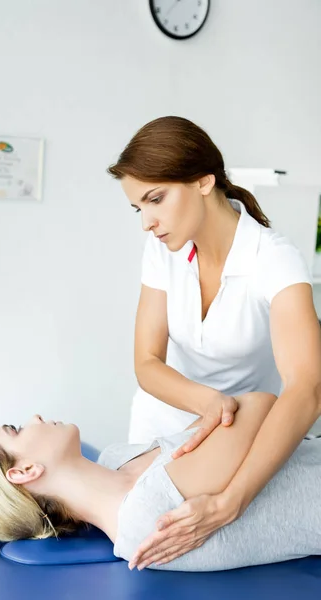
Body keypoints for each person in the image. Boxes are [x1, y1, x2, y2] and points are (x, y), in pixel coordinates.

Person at [106, 116, 321, 568]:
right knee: (143, 559)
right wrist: (208, 401)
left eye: (155, 199)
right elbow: (146, 361)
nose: (147, 222)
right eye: (137, 208)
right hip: (161, 428)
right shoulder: (162, 252)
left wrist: (233, 500)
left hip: (237, 443)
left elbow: (308, 388)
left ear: (205, 182)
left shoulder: (274, 261)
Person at [0, 393, 321, 572]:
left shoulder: (116, 458)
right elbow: (262, 404)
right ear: (24, 471)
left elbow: (236, 413)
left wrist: (236, 410)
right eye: (15, 430)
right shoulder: (147, 514)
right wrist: (236, 409)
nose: (33, 417)